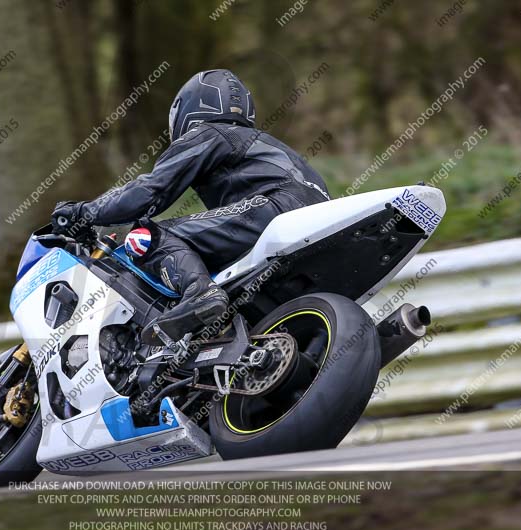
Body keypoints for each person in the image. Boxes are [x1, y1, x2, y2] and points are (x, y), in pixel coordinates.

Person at [51, 69, 330, 344]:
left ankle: (200, 293)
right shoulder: (263, 143)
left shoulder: (208, 133)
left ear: (189, 108)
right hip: (319, 224)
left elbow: (150, 191)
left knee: (145, 237)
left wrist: (84, 212)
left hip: (274, 210)